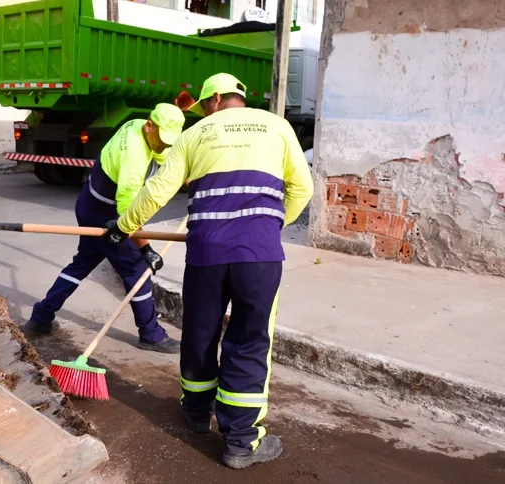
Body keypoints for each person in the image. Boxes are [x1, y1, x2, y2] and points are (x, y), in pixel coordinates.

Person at [100, 73, 314, 468]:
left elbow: (158, 189)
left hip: (206, 253)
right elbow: (302, 189)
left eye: (202, 106)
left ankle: (197, 414)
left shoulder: (194, 135)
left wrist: (125, 226)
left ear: (215, 98)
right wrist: (271, 226)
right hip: (258, 256)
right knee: (249, 341)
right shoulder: (278, 127)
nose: (202, 112)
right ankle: (241, 442)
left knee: (199, 332)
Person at [23, 103, 187, 354]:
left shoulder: (135, 126)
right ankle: (151, 334)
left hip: (88, 203)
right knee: (136, 268)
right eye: (162, 141)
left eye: (169, 142)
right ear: (150, 126)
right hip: (109, 215)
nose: (163, 146)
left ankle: (41, 316)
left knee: (83, 261)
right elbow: (127, 214)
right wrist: (146, 250)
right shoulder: (134, 158)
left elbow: (164, 158)